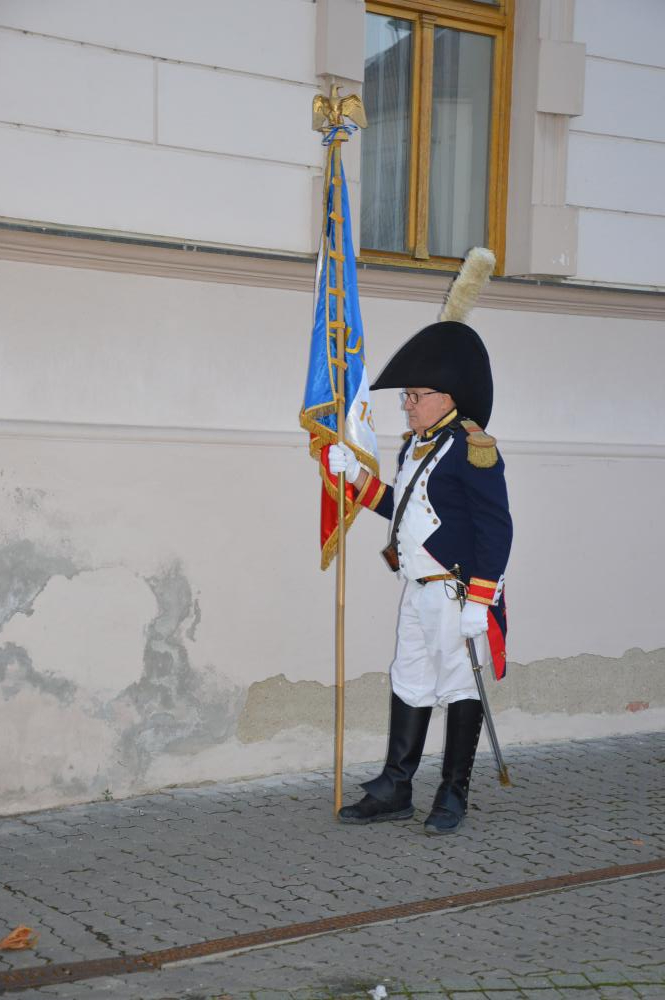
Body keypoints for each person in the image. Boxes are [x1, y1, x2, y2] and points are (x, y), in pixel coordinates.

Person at [329, 318, 512, 834]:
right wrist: (357, 477)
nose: (406, 405)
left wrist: (481, 600)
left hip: (457, 594)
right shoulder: (415, 446)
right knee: (408, 679)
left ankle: (453, 792)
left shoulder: (473, 448)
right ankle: (396, 787)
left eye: (414, 395)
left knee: (459, 686)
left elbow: (496, 528)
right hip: (417, 588)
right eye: (406, 396)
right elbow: (404, 507)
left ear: (445, 397)